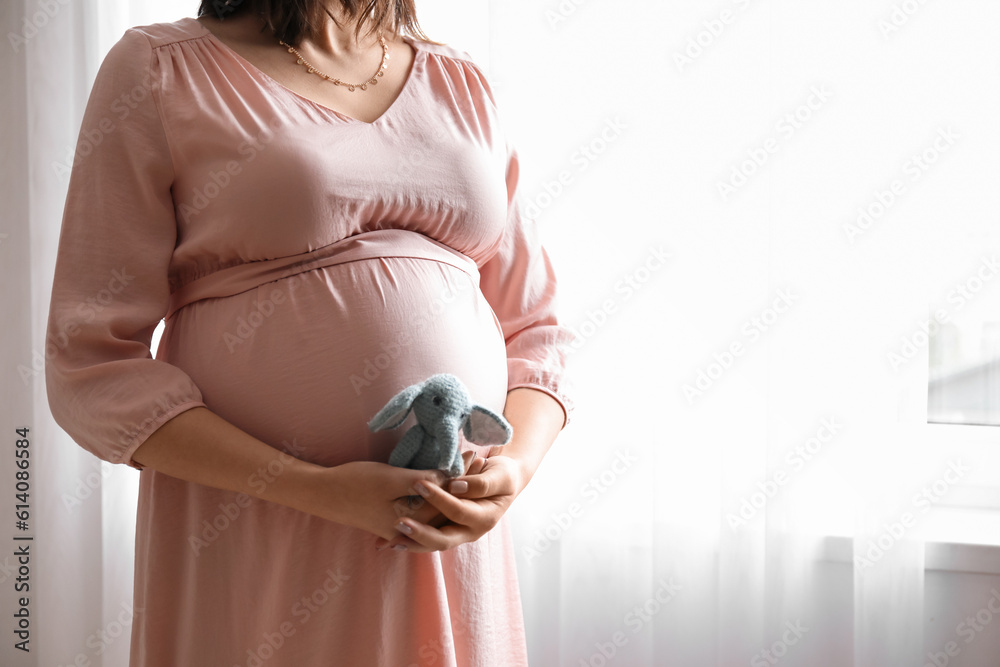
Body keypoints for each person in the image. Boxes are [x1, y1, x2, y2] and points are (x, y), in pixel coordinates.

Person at [44, 0, 575, 664]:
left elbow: (538, 332)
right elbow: (92, 361)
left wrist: (510, 471)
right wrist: (310, 486)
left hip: (447, 529)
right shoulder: (160, 70)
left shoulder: (460, 83)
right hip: (260, 520)